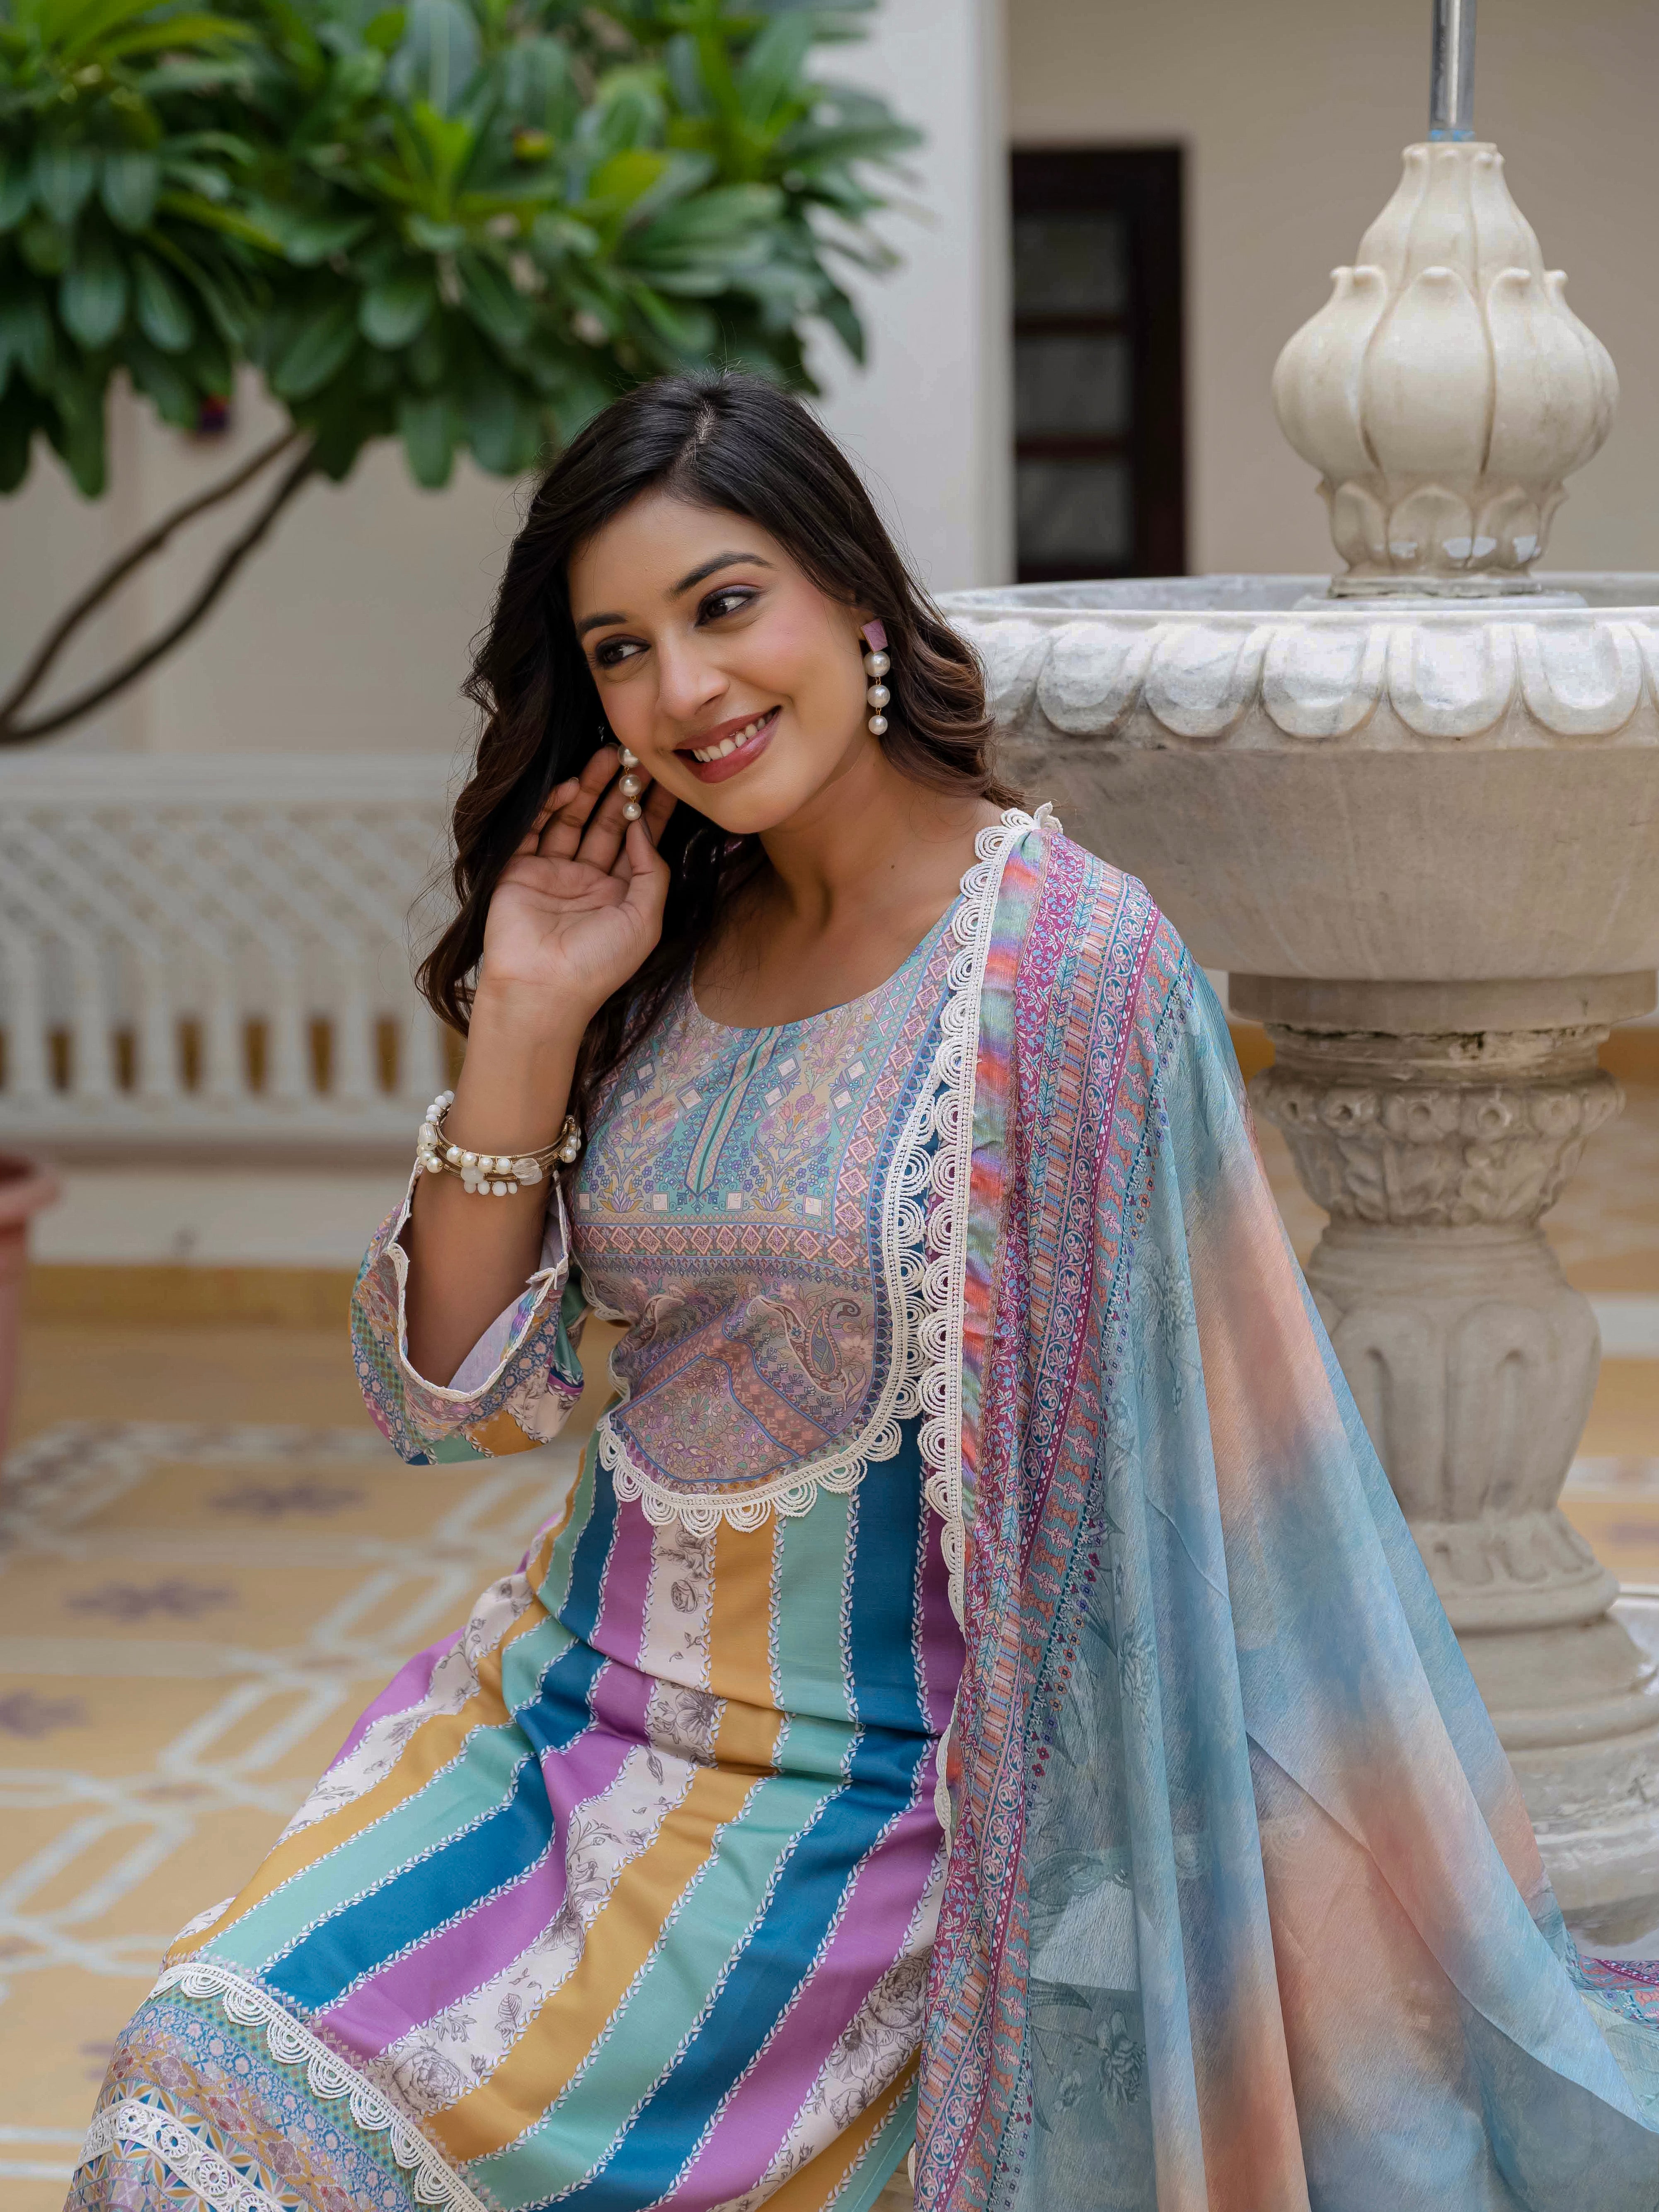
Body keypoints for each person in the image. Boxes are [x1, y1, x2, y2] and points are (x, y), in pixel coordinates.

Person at [72, 374, 1659, 2212]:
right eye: (619, 648)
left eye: (724, 605)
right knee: (200, 2084)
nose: (683, 690)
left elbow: (1184, 1509)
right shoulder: (656, 936)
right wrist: (522, 1019)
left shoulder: (1063, 972)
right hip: (548, 1723)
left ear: (851, 599)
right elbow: (445, 1405)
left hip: (849, 1828)